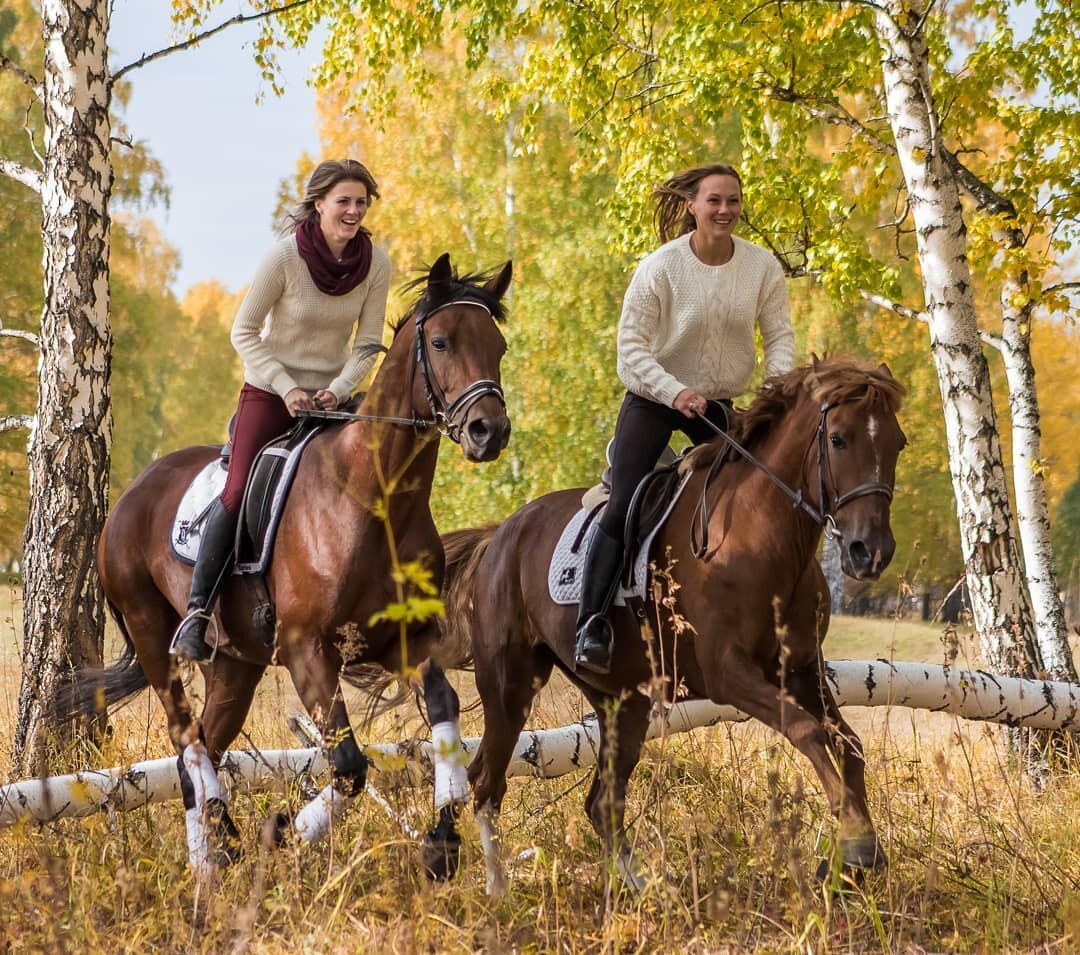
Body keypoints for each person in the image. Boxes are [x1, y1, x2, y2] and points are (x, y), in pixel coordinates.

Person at [575, 162, 796, 674]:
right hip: (654, 399)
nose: (724, 210)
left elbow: (780, 337)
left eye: (733, 201)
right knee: (626, 501)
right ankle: (592, 624)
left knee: (761, 488)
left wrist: (774, 390)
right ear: (692, 206)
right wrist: (674, 392)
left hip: (718, 405)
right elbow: (630, 350)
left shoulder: (761, 267)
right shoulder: (661, 267)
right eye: (714, 200)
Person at [171, 159, 392, 663]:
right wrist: (287, 386)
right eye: (344, 201)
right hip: (271, 392)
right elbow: (242, 332)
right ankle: (198, 611)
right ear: (319, 205)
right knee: (238, 485)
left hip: (332, 400)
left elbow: (370, 344)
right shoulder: (283, 257)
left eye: (361, 202)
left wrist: (336, 391)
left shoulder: (377, 264)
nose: (353, 211)